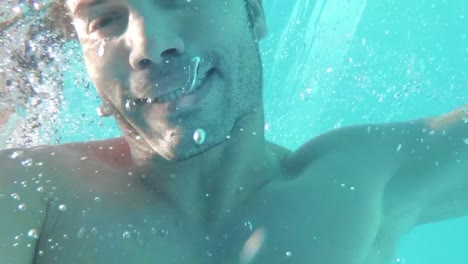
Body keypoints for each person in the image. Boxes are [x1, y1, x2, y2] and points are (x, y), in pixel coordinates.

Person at [0, 0, 467, 263]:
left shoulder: (355, 187)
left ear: (253, 11)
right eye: (104, 19)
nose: (150, 46)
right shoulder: (31, 194)